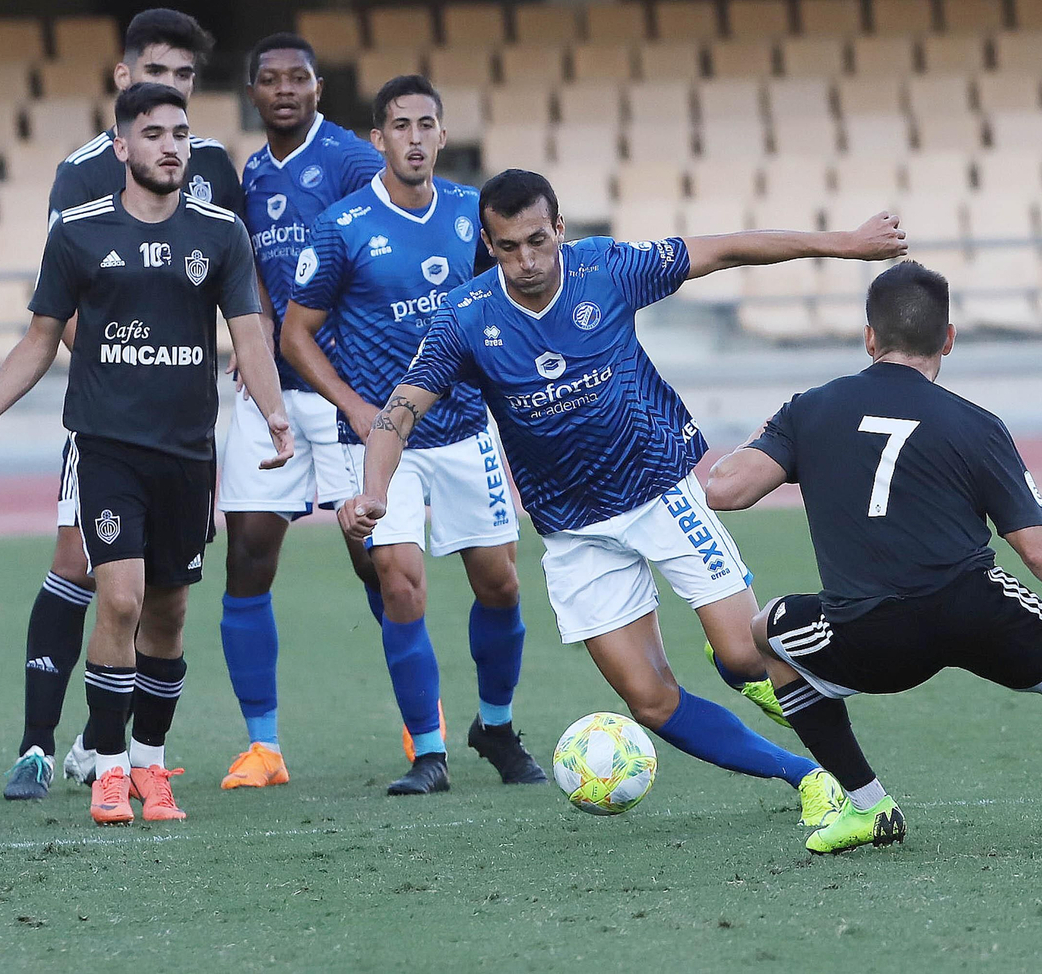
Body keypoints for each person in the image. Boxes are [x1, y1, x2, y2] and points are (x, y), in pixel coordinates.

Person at [339, 169, 907, 825]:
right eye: (507, 248)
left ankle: (756, 670)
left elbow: (721, 249)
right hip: (576, 533)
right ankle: (809, 778)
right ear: (488, 246)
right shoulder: (466, 318)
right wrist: (374, 493)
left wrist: (845, 243)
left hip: (660, 495)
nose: (525, 261)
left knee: (744, 654)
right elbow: (399, 410)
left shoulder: (607, 267)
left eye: (536, 241)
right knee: (651, 701)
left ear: (558, 230)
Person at [702, 260, 1042, 853]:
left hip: (870, 631)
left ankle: (869, 806)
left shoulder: (810, 408)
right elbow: (1040, 550)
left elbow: (725, 491)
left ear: (868, 337)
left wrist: (776, 431)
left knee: (766, 633)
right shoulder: (977, 425)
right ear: (948, 338)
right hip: (974, 610)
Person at [0, 83, 293, 825]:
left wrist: (275, 412)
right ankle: (106, 768)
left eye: (182, 134)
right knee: (121, 599)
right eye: (155, 133)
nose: (172, 146)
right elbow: (41, 339)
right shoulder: (77, 231)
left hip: (188, 455)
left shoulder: (220, 233)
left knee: (166, 617)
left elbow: (250, 333)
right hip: (108, 450)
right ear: (122, 146)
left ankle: (150, 766)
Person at [5, 7, 245, 800]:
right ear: (124, 83)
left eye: (184, 81)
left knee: (160, 603)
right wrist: (121, 371)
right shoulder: (81, 176)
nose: (171, 96)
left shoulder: (211, 168)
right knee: (93, 572)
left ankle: (109, 746)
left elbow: (228, 287)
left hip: (183, 431)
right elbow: (71, 305)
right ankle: (42, 744)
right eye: (157, 76)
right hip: (111, 416)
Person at [283, 76, 542, 796]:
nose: (417, 138)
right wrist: (352, 405)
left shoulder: (473, 217)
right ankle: (428, 751)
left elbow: (510, 305)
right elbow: (294, 335)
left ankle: (495, 726)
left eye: (428, 124)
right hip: (379, 441)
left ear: (443, 133)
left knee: (500, 584)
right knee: (401, 584)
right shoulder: (339, 228)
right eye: (401, 126)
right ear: (378, 140)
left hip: (463, 431)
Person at [215, 33, 391, 790]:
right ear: (252, 93)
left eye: (299, 77)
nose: (284, 88)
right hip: (269, 389)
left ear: (320, 88)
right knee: (247, 554)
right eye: (269, 79)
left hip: (345, 387)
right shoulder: (251, 173)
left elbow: (399, 235)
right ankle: (264, 747)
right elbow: (248, 270)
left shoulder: (351, 159)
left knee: (378, 560)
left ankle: (428, 726)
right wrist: (250, 339)